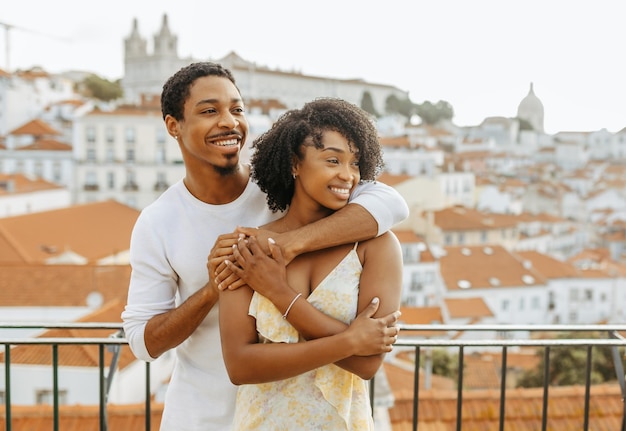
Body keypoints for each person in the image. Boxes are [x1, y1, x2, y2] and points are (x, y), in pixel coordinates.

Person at [121, 62, 408, 431]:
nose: (228, 121)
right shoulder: (158, 222)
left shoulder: (288, 186)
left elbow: (391, 205)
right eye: (210, 110)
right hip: (202, 416)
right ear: (173, 125)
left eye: (237, 109)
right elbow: (144, 344)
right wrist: (213, 289)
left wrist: (287, 245)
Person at [219, 97, 403, 430]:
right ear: (294, 164)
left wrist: (280, 294)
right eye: (333, 160)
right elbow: (240, 366)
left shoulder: (377, 246)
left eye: (355, 163)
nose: (347, 175)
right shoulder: (249, 249)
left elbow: (367, 363)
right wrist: (348, 341)